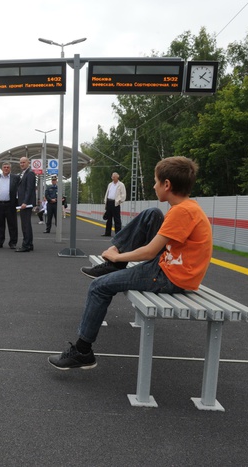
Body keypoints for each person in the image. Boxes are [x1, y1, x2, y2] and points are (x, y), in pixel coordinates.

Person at [49, 156, 212, 370]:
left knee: (98, 287)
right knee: (152, 214)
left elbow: (149, 252)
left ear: (167, 185)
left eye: (155, 181)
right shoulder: (187, 206)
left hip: (170, 276)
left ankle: (82, 351)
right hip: (173, 266)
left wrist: (118, 257)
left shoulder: (181, 212)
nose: (154, 186)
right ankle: (115, 258)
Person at [0, 162, 19, 248]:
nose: (6, 169)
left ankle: (13, 243)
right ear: (2, 168)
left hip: (10, 205)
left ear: (10, 169)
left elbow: (20, 189)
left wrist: (17, 201)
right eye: (4, 167)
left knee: (12, 225)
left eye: (8, 167)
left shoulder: (15, 178)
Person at [15, 156, 36, 252]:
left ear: (28, 163)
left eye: (24, 162)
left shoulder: (30, 173)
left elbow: (29, 189)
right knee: (26, 224)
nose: (22, 164)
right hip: (23, 203)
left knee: (25, 224)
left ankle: (26, 245)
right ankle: (29, 244)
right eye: (20, 162)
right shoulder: (23, 173)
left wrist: (25, 202)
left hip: (25, 204)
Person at [103, 172, 126, 237]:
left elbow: (123, 194)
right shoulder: (110, 184)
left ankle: (118, 233)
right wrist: (105, 201)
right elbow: (107, 193)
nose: (113, 178)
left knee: (117, 219)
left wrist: (119, 201)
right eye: (112, 177)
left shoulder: (121, 185)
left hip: (115, 203)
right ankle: (107, 233)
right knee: (108, 218)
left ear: (117, 177)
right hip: (109, 202)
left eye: (114, 177)